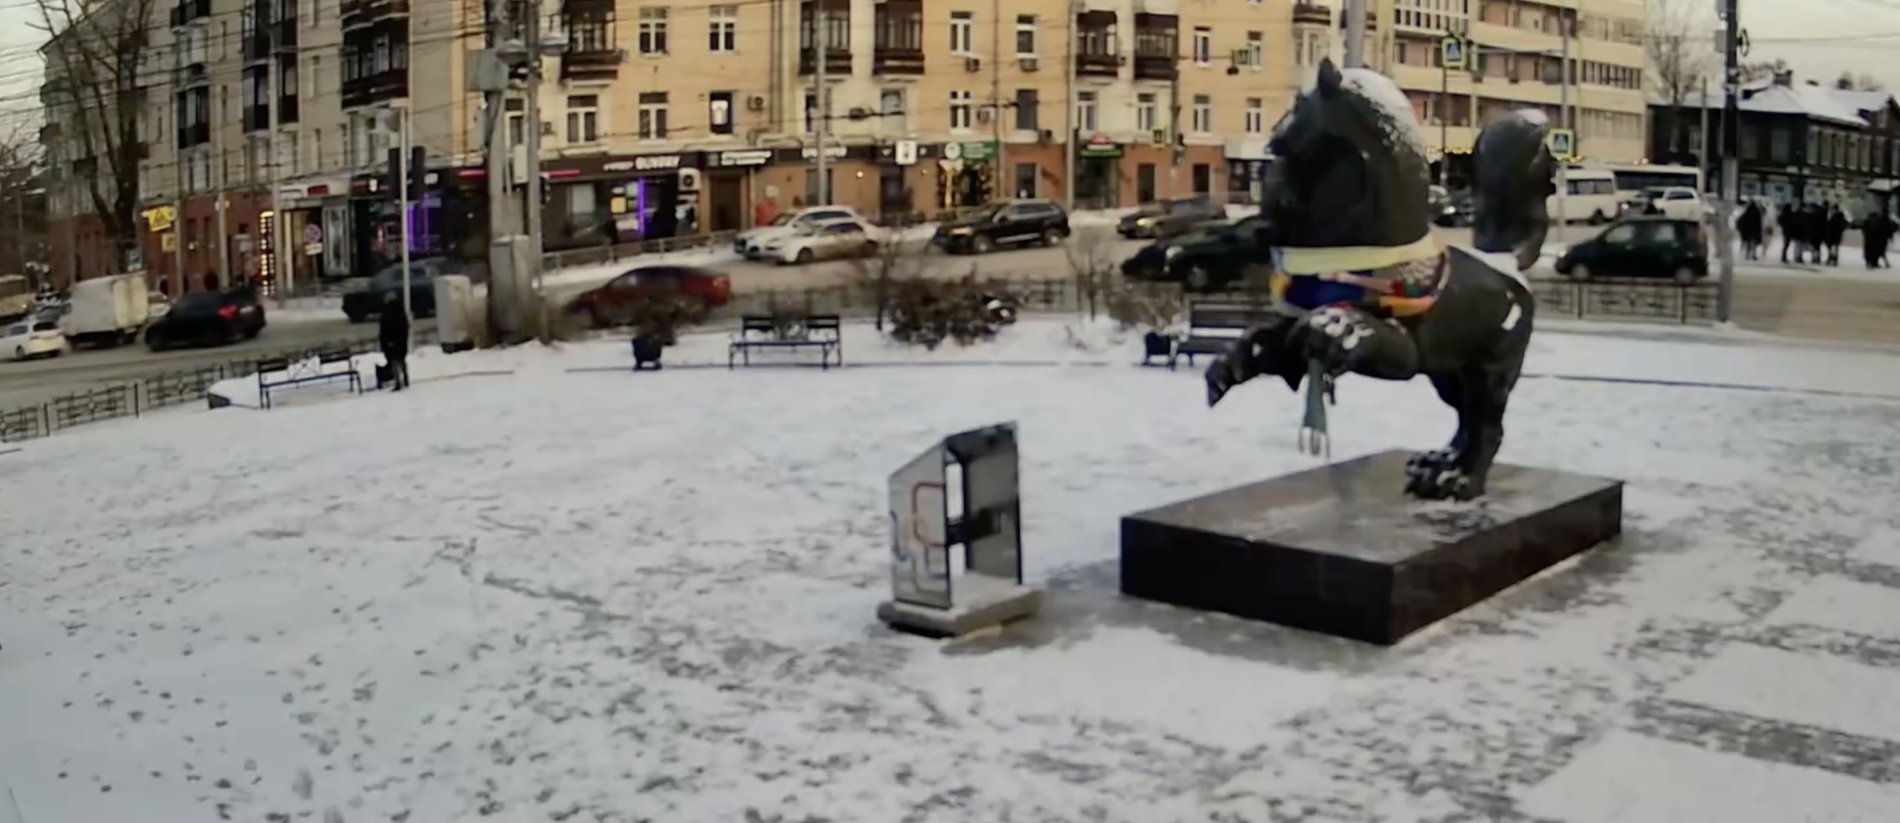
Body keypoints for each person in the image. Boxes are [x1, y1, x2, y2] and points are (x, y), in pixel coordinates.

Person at [377, 291, 410, 391]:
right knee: (401, 359)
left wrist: (385, 340)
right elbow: (405, 325)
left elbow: (385, 327)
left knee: (394, 361)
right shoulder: (400, 310)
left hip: (391, 340)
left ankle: (398, 382)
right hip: (401, 340)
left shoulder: (388, 312)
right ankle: (405, 378)